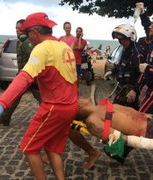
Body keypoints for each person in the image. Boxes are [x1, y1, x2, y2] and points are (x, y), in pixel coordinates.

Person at [0, 12, 78, 179]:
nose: (27, 38)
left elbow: (24, 77)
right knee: (53, 149)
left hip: (54, 107)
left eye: (27, 33)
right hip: (70, 105)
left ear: (34, 32)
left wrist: (2, 103)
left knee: (29, 148)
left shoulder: (42, 48)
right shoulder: (64, 46)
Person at [60, 23, 100, 169]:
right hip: (63, 63)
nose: (73, 31)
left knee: (74, 85)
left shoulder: (81, 41)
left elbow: (76, 48)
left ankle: (75, 104)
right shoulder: (60, 38)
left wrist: (79, 37)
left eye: (77, 30)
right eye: (71, 28)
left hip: (75, 63)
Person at [0, 19, 41, 127]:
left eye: (19, 28)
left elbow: (35, 57)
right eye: (16, 28)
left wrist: (30, 70)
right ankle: (5, 117)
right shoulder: (21, 42)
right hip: (23, 75)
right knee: (15, 96)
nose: (17, 30)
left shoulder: (26, 43)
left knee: (41, 98)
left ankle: (52, 116)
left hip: (30, 76)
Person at [104, 24, 141, 110]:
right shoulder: (126, 50)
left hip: (132, 91)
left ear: (131, 38)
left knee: (130, 115)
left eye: (124, 39)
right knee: (114, 110)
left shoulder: (137, 52)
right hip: (123, 88)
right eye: (120, 40)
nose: (122, 42)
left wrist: (135, 90)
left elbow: (142, 75)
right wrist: (112, 71)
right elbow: (122, 65)